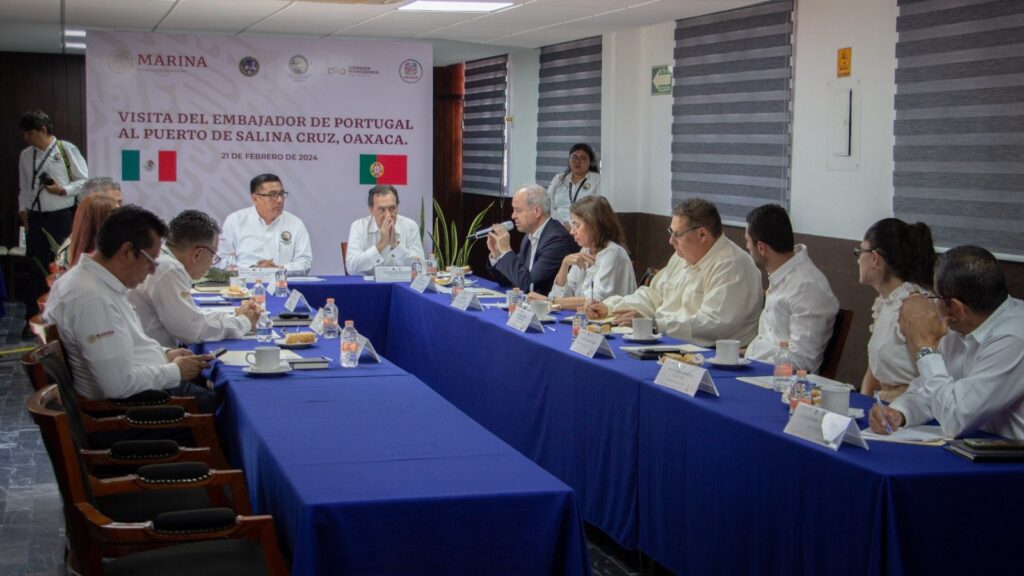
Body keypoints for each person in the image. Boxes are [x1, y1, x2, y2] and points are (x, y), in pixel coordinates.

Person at [43, 205, 218, 411]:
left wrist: (165, 354)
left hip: (139, 385)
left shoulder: (99, 283)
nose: (152, 270)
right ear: (126, 252)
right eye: (150, 260)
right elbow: (117, 385)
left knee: (215, 381)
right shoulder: (92, 299)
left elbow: (127, 346)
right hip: (123, 409)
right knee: (221, 402)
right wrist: (175, 371)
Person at [870, 246, 1024, 439]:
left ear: (957, 308)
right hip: (975, 444)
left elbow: (955, 419)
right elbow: (933, 390)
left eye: (935, 297)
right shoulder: (959, 324)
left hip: (1012, 453)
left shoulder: (1014, 338)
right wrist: (900, 412)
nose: (933, 304)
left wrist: (926, 350)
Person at [587, 198, 762, 347]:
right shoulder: (682, 256)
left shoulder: (732, 265)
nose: (671, 241)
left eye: (676, 235)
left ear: (702, 234)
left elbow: (713, 324)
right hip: (668, 340)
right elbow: (653, 296)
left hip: (713, 354)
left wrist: (656, 325)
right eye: (670, 232)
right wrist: (610, 307)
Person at [128, 210, 261, 347]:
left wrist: (232, 318)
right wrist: (244, 322)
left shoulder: (164, 260)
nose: (211, 264)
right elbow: (193, 331)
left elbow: (191, 317)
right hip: (154, 356)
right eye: (213, 256)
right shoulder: (168, 269)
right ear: (197, 254)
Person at [743, 204, 839, 373]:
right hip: (759, 367)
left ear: (761, 248)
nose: (747, 247)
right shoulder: (782, 275)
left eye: (748, 241)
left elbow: (802, 360)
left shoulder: (807, 287)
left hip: (784, 381)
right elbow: (771, 339)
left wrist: (753, 361)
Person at [18, 109, 89, 333]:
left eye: (30, 133)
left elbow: (83, 181)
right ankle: (32, 318)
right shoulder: (26, 155)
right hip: (35, 217)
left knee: (64, 266)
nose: (26, 137)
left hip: (61, 217)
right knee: (35, 266)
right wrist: (23, 210)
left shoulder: (66, 150)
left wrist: (62, 190)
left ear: (43, 130)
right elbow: (24, 186)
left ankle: (64, 318)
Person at [857, 218, 936, 401]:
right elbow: (874, 371)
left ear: (875, 258)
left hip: (908, 406)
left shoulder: (915, 305)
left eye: (860, 252)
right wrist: (861, 403)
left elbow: (930, 378)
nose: (858, 260)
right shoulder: (887, 302)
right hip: (883, 401)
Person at [529, 195, 636, 310]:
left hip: (613, 320)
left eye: (577, 225)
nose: (572, 232)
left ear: (595, 225)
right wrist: (564, 265)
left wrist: (549, 302)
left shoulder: (613, 253)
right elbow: (562, 296)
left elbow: (594, 300)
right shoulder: (586, 250)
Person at [487, 184, 577, 295]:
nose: (513, 216)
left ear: (537, 211)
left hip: (549, 303)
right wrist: (497, 254)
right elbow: (508, 280)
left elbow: (529, 286)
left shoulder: (557, 240)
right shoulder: (529, 236)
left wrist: (506, 250)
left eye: (518, 210)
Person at [218, 173, 313, 274]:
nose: (280, 200)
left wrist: (278, 269)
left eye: (281, 194)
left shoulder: (295, 223)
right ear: (255, 199)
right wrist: (254, 270)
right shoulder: (235, 221)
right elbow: (222, 261)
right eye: (272, 195)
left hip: (282, 281)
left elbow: (305, 262)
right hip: (244, 282)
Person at [345, 184, 425, 275]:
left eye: (392, 208)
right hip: (369, 283)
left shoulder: (410, 226)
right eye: (382, 209)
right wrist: (381, 244)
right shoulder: (359, 226)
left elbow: (421, 267)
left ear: (397, 207)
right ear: (371, 210)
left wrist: (396, 245)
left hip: (401, 282)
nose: (388, 215)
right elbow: (351, 268)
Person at [54, 177, 123, 270]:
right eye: (110, 205)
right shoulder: (71, 251)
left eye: (120, 203)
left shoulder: (121, 239)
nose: (119, 210)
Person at [546, 143, 601, 226]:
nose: (577, 161)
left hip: (584, 226)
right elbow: (547, 203)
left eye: (583, 158)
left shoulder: (597, 179)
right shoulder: (559, 178)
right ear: (569, 159)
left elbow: (598, 209)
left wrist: (574, 226)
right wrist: (559, 224)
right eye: (574, 157)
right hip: (557, 225)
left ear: (591, 162)